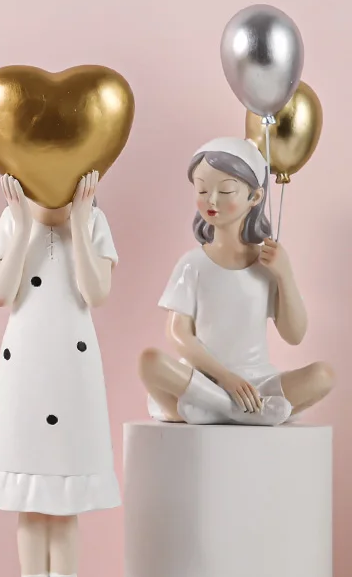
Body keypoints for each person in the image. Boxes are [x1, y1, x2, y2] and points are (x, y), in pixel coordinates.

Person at [0, 170, 120, 577]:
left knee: (64, 501)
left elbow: (95, 292)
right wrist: (20, 226)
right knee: (31, 500)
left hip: (73, 370)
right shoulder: (10, 220)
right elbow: (0, 293)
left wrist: (79, 221)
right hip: (25, 370)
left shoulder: (93, 221)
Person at [139, 136, 333, 425]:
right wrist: (226, 378)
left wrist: (285, 275)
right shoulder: (192, 264)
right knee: (150, 361)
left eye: (226, 190)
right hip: (203, 381)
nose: (211, 200)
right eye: (202, 190)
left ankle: (221, 410)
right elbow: (179, 334)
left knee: (323, 376)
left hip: (256, 384)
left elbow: (294, 335)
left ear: (255, 197)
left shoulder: (267, 265)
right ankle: (236, 410)